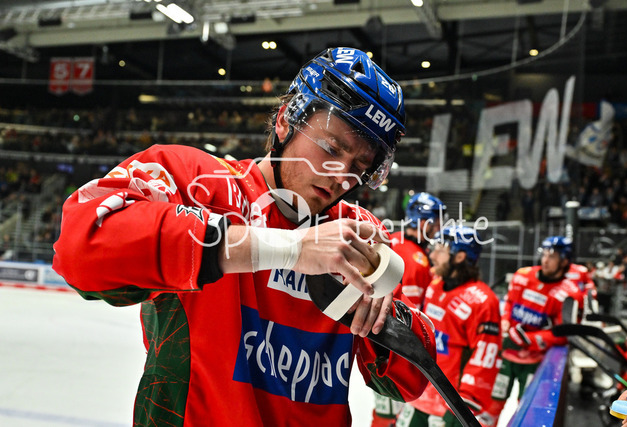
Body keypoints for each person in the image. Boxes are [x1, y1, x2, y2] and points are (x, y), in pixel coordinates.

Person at [52, 47, 437, 426]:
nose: (342, 177)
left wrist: (388, 315)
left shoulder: (357, 231)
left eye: (361, 166)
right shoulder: (198, 182)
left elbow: (408, 382)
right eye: (331, 148)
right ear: (286, 120)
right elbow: (81, 246)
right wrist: (289, 249)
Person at [397, 226, 502, 427]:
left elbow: (485, 357)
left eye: (441, 250)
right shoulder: (435, 286)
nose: (432, 254)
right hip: (421, 396)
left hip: (450, 406)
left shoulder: (483, 301)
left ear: (460, 257)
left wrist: (465, 405)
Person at [371, 192, 446, 426]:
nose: (439, 227)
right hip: (396, 352)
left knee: (383, 413)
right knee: (390, 416)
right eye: (437, 221)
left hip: (377, 345)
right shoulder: (417, 260)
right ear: (424, 222)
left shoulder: (393, 239)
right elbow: (408, 315)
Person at [491, 235, 580, 418]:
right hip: (507, 354)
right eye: (544, 254)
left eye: (552, 256)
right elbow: (509, 303)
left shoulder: (570, 294)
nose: (545, 260)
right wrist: (505, 320)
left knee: (528, 412)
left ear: (564, 261)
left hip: (536, 362)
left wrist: (529, 339)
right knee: (491, 407)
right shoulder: (522, 275)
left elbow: (565, 334)